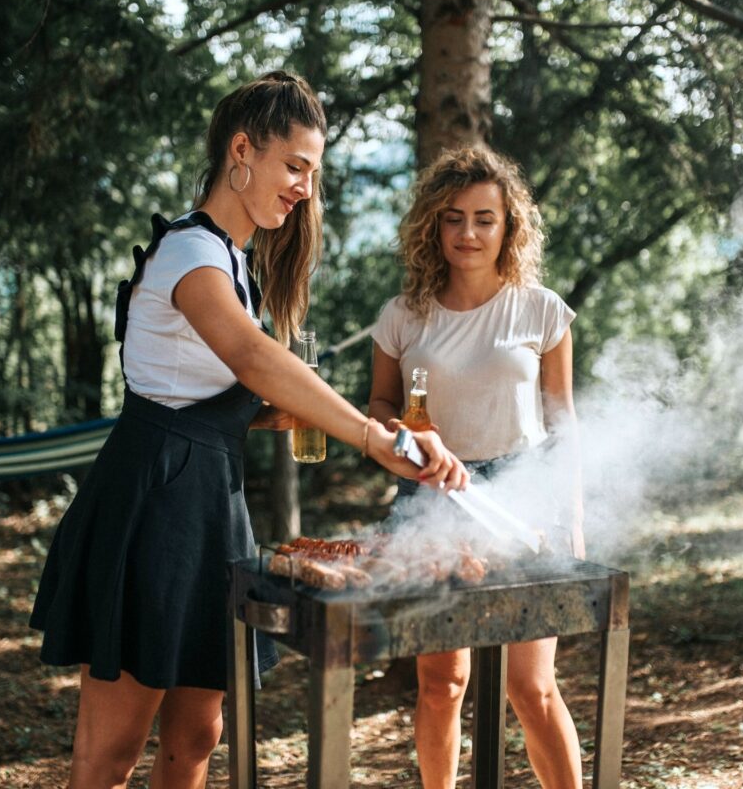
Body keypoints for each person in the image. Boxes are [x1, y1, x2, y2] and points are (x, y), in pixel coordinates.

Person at [29, 71, 469, 789]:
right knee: (111, 749)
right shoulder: (188, 253)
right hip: (153, 499)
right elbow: (250, 356)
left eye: (312, 173)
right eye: (295, 166)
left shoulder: (235, 262)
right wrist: (368, 436)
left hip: (208, 495)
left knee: (200, 732)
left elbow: (223, 392)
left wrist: (332, 419)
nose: (304, 187)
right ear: (243, 149)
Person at [368, 145, 585, 789]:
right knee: (442, 683)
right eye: (454, 217)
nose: (468, 233)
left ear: (508, 226)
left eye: (484, 218)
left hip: (525, 495)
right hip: (436, 500)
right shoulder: (403, 315)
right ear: (433, 225)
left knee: (532, 687)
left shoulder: (542, 310)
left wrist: (572, 516)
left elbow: (563, 422)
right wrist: (398, 434)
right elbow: (379, 404)